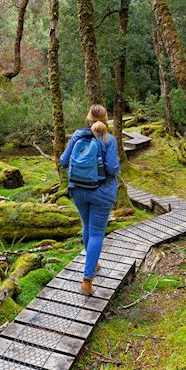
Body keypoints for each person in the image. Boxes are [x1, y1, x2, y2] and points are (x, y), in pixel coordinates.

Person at [59, 104, 121, 295]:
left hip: (78, 190)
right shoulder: (108, 139)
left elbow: (63, 160)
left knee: (87, 226)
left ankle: (92, 264)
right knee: (96, 234)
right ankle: (87, 281)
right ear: (105, 118)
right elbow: (112, 169)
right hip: (101, 193)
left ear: (88, 118)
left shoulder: (78, 135)